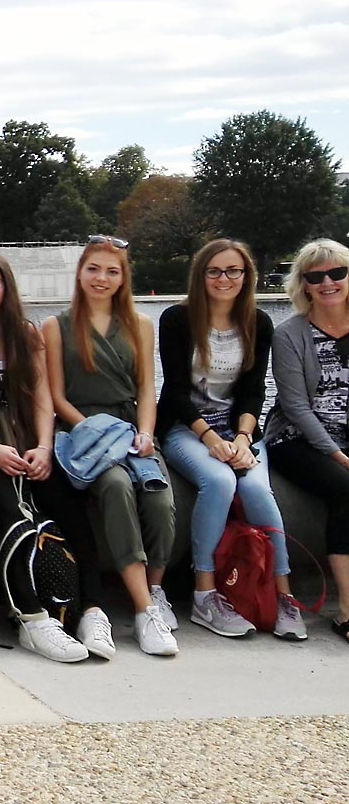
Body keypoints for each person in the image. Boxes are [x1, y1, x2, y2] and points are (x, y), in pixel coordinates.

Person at [0, 252, 90, 663]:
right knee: (7, 511)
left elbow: (43, 398)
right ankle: (31, 617)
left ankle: (89, 610)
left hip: (26, 435)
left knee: (68, 504)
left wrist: (44, 446)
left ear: (6, 286)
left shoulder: (26, 334)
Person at [161, 240, 305, 640]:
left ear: (246, 276)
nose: (224, 279)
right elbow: (173, 391)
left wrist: (242, 438)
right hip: (185, 429)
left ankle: (284, 597)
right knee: (220, 481)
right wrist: (210, 440)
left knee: (258, 491)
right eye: (215, 271)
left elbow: (254, 390)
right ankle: (205, 595)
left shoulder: (257, 322)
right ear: (201, 276)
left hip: (237, 430)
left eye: (233, 271)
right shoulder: (177, 319)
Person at [42, 236, 177, 657]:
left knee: (159, 501)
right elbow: (57, 397)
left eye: (111, 271)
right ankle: (142, 610)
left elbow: (147, 390)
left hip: (131, 428)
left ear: (123, 279)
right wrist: (99, 431)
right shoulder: (56, 327)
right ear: (80, 273)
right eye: (93, 269)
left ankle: (156, 590)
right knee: (116, 486)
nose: (101, 278)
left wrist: (145, 432)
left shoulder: (140, 325)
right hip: (85, 434)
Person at [265, 238, 349, 643]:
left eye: (338, 273)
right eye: (317, 277)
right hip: (297, 439)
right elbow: (296, 407)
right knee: (345, 489)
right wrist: (339, 456)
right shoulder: (289, 334)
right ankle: (347, 610)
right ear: (304, 285)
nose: (328, 282)